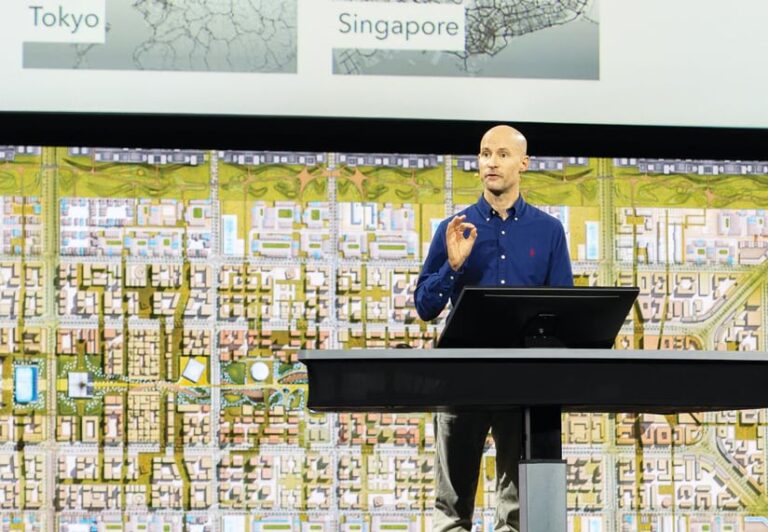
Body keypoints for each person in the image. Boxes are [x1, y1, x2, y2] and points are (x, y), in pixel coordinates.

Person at [414, 125, 573, 531]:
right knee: (450, 510)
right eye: (485, 154)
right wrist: (451, 267)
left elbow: (565, 311)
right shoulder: (454, 227)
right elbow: (425, 306)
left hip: (522, 382)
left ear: (523, 163)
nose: (491, 162)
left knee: (517, 511)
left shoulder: (549, 231)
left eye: (502, 154)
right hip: (460, 377)